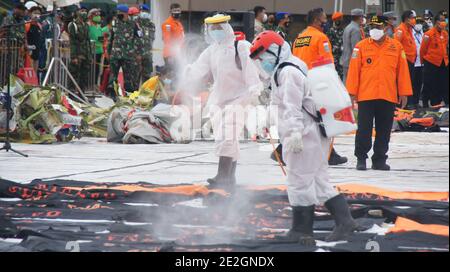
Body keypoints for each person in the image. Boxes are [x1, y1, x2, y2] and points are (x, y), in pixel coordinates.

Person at [250, 31, 358, 244]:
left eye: (263, 57)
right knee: (318, 179)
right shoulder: (289, 66)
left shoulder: (287, 73)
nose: (262, 63)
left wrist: (293, 134)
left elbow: (292, 107)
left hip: (302, 134)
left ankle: (302, 229)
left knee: (298, 180)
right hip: (310, 132)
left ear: (275, 51)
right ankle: (345, 222)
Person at [183, 13, 263, 189]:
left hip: (240, 98)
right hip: (219, 99)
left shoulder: (240, 46)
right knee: (224, 137)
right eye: (213, 28)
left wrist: (254, 89)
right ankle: (230, 177)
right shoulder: (212, 50)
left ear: (227, 27)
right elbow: (199, 68)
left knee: (228, 134)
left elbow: (251, 69)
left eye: (219, 27)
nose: (216, 31)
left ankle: (222, 176)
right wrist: (189, 73)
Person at [346, 15, 412, 171]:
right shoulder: (360, 47)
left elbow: (402, 71)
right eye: (372, 27)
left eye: (378, 27)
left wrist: (403, 93)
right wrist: (351, 93)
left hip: (388, 95)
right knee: (364, 129)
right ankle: (361, 158)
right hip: (366, 96)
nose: (374, 30)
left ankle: (379, 159)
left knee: (384, 130)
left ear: (386, 28)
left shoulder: (396, 47)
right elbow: (354, 72)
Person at [293, 7, 348, 166]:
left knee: (308, 119)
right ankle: (329, 153)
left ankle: (282, 149)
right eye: (325, 19)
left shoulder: (300, 38)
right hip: (317, 84)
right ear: (317, 20)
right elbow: (328, 63)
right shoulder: (321, 38)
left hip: (300, 83)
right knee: (324, 119)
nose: (327, 21)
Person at [108, 4, 143, 99]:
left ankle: (128, 96)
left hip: (128, 55)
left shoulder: (134, 24)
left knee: (128, 78)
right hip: (115, 54)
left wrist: (138, 53)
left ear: (125, 13)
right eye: (117, 12)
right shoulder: (115, 22)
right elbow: (111, 39)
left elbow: (140, 38)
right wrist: (108, 52)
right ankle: (113, 95)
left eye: (120, 12)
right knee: (113, 76)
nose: (118, 14)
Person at [420, 14, 449, 107]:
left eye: (445, 20)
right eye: (442, 20)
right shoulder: (428, 34)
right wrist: (423, 62)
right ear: (437, 22)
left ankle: (439, 102)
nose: (444, 22)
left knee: (443, 83)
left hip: (443, 62)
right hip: (431, 62)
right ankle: (426, 102)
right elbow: (422, 49)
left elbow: (445, 47)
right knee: (429, 83)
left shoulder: (445, 33)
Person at [395, 10, 417, 107]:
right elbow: (396, 45)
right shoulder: (400, 29)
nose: (414, 20)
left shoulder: (409, 29)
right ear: (406, 19)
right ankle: (402, 104)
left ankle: (408, 103)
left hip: (411, 60)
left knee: (410, 82)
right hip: (405, 61)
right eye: (412, 18)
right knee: (404, 83)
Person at [68, 6, 91, 94]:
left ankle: (82, 93)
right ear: (77, 12)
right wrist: (74, 56)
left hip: (86, 54)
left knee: (84, 76)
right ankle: (71, 93)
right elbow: (72, 41)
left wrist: (90, 56)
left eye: (85, 11)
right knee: (74, 74)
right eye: (82, 11)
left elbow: (88, 41)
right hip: (77, 54)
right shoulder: (73, 25)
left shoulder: (86, 25)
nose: (84, 12)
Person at [341, 8, 365, 83]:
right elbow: (356, 48)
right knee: (352, 84)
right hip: (352, 62)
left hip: (345, 60)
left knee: (346, 83)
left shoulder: (348, 27)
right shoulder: (355, 29)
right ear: (360, 17)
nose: (362, 19)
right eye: (362, 17)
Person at [1, 3, 27, 70]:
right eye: (21, 10)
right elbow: (10, 32)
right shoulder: (8, 19)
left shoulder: (22, 21)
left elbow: (24, 33)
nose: (23, 13)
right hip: (8, 48)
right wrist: (20, 37)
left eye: (23, 11)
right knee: (6, 68)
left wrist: (25, 42)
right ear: (16, 9)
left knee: (17, 68)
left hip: (18, 49)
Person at [409, 16, 425, 109]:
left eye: (421, 22)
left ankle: (416, 102)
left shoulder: (423, 34)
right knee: (412, 83)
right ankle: (410, 103)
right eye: (417, 22)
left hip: (421, 62)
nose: (419, 24)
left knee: (419, 83)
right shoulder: (410, 33)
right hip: (413, 62)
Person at [88, 8, 108, 82]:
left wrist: (104, 38)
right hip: (91, 51)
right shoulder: (88, 26)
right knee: (91, 69)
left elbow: (100, 38)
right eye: (96, 14)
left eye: (99, 15)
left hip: (99, 51)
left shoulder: (99, 26)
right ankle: (89, 84)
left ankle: (95, 83)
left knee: (97, 69)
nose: (98, 16)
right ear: (90, 16)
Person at [162, 3, 184, 68]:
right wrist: (170, 55)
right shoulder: (167, 24)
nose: (177, 12)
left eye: (178, 10)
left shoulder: (179, 24)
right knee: (171, 74)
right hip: (170, 54)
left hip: (177, 53)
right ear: (170, 11)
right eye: (174, 10)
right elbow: (167, 40)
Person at [138, 4, 156, 82]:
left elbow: (152, 38)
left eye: (144, 11)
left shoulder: (151, 24)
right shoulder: (136, 23)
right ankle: (134, 93)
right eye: (141, 11)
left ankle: (145, 92)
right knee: (136, 74)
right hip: (137, 53)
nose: (143, 13)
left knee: (147, 75)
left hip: (147, 53)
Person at [327, 12, 345, 79]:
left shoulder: (343, 31)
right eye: (339, 19)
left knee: (341, 76)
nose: (341, 20)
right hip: (333, 58)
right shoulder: (330, 31)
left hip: (341, 58)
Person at [26, 6, 42, 73]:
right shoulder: (27, 24)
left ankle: (35, 80)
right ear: (30, 14)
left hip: (37, 52)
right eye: (35, 13)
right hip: (28, 52)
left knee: (35, 72)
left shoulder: (39, 26)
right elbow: (24, 37)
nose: (37, 15)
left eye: (38, 13)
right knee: (29, 71)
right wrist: (27, 45)